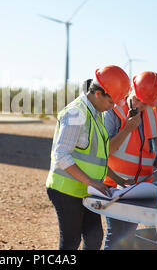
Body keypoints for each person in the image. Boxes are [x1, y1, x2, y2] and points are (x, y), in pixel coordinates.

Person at [46, 65, 130, 250]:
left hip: (86, 189)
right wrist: (92, 182)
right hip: (66, 189)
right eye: (111, 101)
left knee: (94, 239)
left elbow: (95, 157)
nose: (113, 106)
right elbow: (61, 155)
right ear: (98, 93)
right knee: (71, 242)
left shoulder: (96, 114)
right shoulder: (77, 112)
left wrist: (117, 180)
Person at [102, 71, 157, 250]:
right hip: (115, 187)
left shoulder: (152, 114)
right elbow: (104, 152)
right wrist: (127, 128)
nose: (140, 105)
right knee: (115, 237)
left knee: (127, 237)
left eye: (146, 102)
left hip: (141, 189)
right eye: (137, 99)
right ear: (130, 90)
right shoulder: (113, 112)